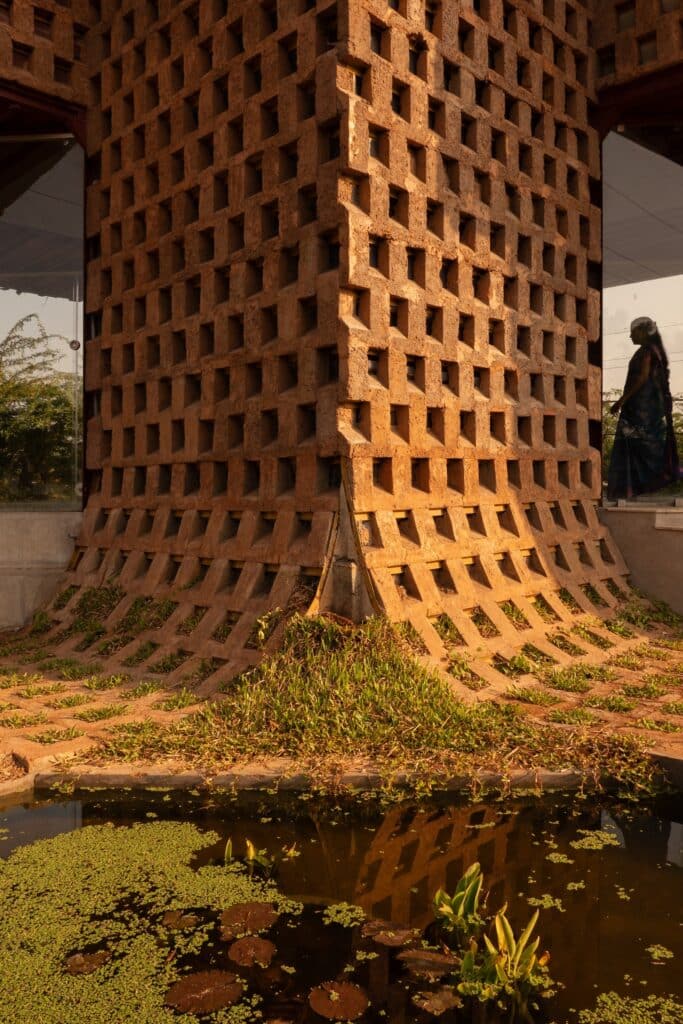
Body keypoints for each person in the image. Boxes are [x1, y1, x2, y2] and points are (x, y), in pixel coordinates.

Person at [607, 316, 679, 500]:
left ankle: (648, 484)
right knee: (633, 444)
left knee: (639, 444)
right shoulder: (648, 351)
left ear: (641, 331)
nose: (630, 336)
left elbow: (641, 378)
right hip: (638, 410)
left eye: (633, 332)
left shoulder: (647, 351)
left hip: (641, 412)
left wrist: (621, 400)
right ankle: (634, 489)